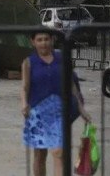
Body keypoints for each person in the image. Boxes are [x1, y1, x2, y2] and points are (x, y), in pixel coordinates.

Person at [21, 32, 91, 176]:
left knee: (59, 152)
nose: (44, 43)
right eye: (39, 40)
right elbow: (24, 87)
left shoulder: (62, 60)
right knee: (40, 155)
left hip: (59, 112)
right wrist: (24, 103)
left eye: (46, 39)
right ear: (33, 42)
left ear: (52, 40)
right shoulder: (28, 62)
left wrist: (81, 108)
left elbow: (71, 85)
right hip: (38, 113)